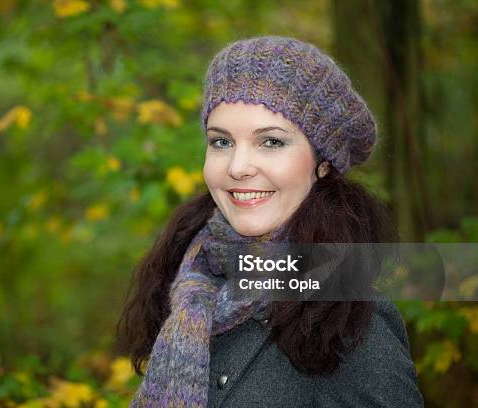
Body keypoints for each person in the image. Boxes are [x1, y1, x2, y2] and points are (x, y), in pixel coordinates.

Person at [116, 36, 424, 407]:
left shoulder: (354, 317)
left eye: (271, 142)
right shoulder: (186, 283)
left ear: (322, 163)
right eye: (221, 142)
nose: (238, 167)